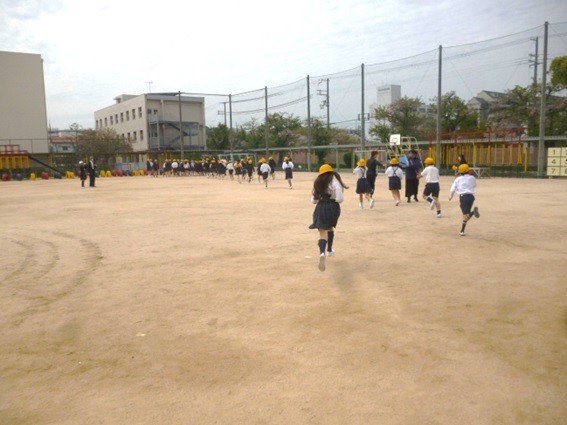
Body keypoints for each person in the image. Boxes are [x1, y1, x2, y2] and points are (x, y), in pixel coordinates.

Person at [309, 164, 349, 271]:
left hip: (321, 207)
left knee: (323, 233)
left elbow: (313, 201)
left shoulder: (317, 183)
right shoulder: (335, 183)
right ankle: (329, 250)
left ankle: (322, 253)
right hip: (333, 208)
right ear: (331, 173)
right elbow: (340, 199)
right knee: (330, 227)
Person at [449, 163, 480, 236]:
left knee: (465, 215)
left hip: (463, 197)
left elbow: (452, 189)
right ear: (468, 171)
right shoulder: (472, 178)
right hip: (471, 197)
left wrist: (450, 197)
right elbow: (474, 185)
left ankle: (473, 212)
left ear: (460, 172)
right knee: (466, 215)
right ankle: (462, 231)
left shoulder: (458, 179)